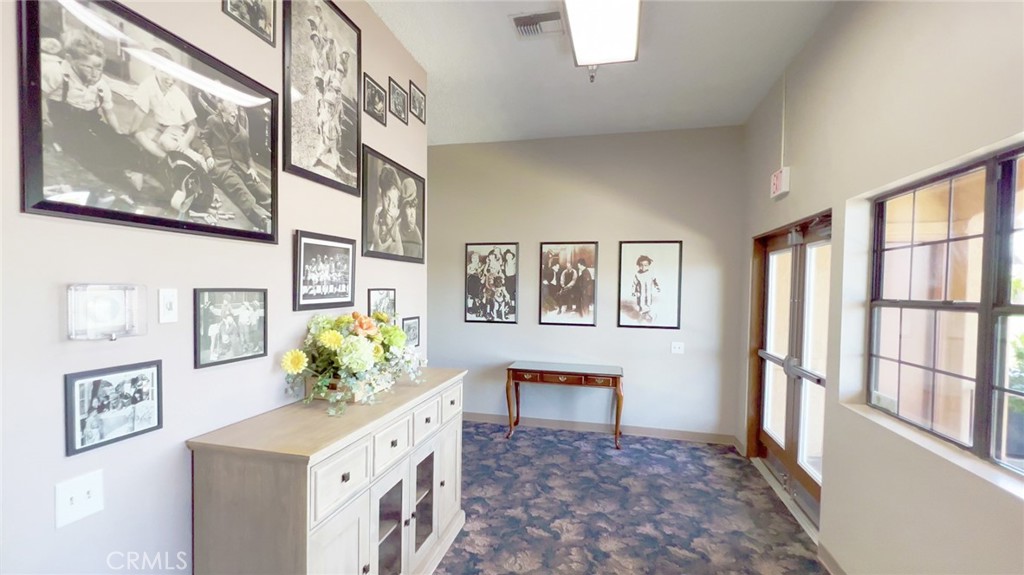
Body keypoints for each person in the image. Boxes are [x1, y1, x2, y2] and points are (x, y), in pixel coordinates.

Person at [40, 29, 146, 192]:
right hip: (66, 121)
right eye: (88, 67)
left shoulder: (100, 83)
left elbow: (108, 112)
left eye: (99, 67)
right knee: (95, 152)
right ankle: (121, 181)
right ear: (70, 60)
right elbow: (39, 96)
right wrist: (43, 121)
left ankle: (133, 169)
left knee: (127, 147)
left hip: (90, 118)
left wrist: (117, 133)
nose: (94, 73)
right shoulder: (58, 73)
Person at [193, 99, 272, 230]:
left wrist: (252, 169)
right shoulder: (213, 121)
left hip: (242, 167)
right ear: (222, 113)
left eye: (235, 112)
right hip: (223, 168)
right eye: (230, 113)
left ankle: (278, 214)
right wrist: (208, 157)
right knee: (242, 192)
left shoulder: (243, 134)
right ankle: (264, 221)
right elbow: (203, 140)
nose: (234, 115)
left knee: (261, 189)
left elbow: (248, 157)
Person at [371, 165, 403, 254]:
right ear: (381, 194)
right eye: (387, 199)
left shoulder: (402, 223)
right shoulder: (377, 214)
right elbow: (373, 246)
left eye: (393, 203)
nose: (389, 208)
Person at [632, 254, 661, 322]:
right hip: (640, 292)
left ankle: (650, 315)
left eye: (645, 265)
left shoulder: (651, 273)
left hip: (648, 292)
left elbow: (654, 281)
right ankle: (642, 315)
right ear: (638, 265)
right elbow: (634, 284)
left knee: (648, 303)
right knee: (641, 303)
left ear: (648, 265)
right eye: (641, 265)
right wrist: (634, 291)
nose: (643, 267)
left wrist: (657, 287)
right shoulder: (637, 274)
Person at [398, 178, 423, 258]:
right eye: (409, 208)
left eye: (414, 208)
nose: (413, 215)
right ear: (402, 211)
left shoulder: (417, 236)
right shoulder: (395, 231)